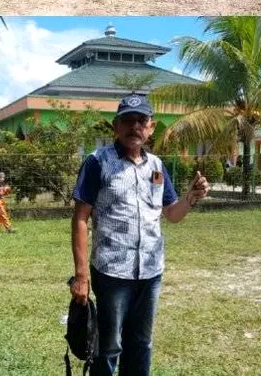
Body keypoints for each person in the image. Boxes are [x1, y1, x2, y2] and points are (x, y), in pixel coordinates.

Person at [70, 93, 209, 376]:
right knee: (108, 348)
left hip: (150, 272)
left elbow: (172, 213)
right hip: (111, 273)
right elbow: (80, 218)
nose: (135, 126)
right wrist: (82, 276)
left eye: (141, 120)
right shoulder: (98, 162)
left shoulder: (157, 166)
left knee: (141, 344)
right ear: (116, 126)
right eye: (128, 120)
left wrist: (191, 198)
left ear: (151, 127)